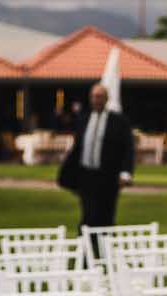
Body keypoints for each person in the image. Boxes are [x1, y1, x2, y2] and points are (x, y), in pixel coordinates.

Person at [58, 82, 133, 244]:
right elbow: (77, 149)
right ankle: (86, 253)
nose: (96, 100)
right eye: (93, 96)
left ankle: (106, 252)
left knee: (106, 216)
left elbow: (128, 149)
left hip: (108, 176)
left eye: (99, 96)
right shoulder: (83, 120)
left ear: (106, 99)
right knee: (87, 215)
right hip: (87, 176)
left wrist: (125, 173)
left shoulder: (119, 122)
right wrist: (71, 177)